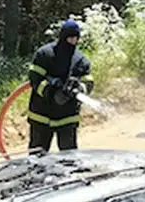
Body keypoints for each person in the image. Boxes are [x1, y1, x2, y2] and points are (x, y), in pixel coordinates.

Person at [26, 19, 94, 152]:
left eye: (76, 38)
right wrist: (51, 92)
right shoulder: (45, 54)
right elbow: (35, 79)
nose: (73, 41)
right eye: (70, 38)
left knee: (69, 160)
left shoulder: (80, 60)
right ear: (62, 37)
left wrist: (79, 88)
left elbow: (88, 81)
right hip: (41, 116)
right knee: (36, 159)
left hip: (67, 117)